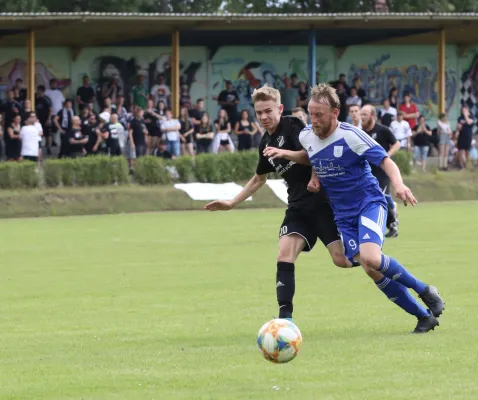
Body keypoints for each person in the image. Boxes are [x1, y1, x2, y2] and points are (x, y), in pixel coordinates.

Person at [204, 85, 383, 321]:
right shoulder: (264, 143)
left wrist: (314, 177)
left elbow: (316, 153)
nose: (264, 117)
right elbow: (259, 178)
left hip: (323, 204)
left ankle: (379, 263)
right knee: (284, 255)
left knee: (341, 260)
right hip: (297, 207)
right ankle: (284, 320)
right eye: (259, 113)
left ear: (279, 108)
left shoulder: (294, 126)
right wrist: (231, 203)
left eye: (268, 110)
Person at [295, 83, 444, 333]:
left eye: (319, 114)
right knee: (370, 268)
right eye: (311, 114)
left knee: (371, 258)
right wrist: (314, 177)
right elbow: (313, 155)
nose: (314, 120)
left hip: (369, 202)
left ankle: (425, 290)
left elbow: (386, 161)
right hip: (343, 214)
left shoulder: (351, 135)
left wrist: (398, 185)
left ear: (334, 112)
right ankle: (423, 317)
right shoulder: (306, 135)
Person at [361, 105, 401, 238]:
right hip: (367, 172)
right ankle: (389, 214)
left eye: (364, 114)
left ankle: (392, 224)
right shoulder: (360, 132)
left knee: (380, 196)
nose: (362, 117)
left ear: (372, 116)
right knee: (375, 198)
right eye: (361, 114)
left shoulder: (382, 130)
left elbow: (397, 144)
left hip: (382, 171)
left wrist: (387, 156)